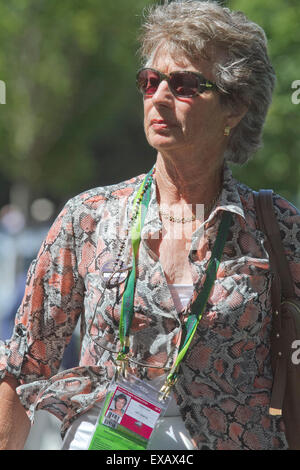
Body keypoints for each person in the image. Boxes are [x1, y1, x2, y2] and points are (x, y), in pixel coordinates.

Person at [0, 0, 299, 451]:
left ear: (234, 107)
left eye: (184, 85)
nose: (158, 95)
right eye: (149, 80)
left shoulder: (276, 226)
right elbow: (24, 367)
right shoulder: (89, 217)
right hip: (110, 443)